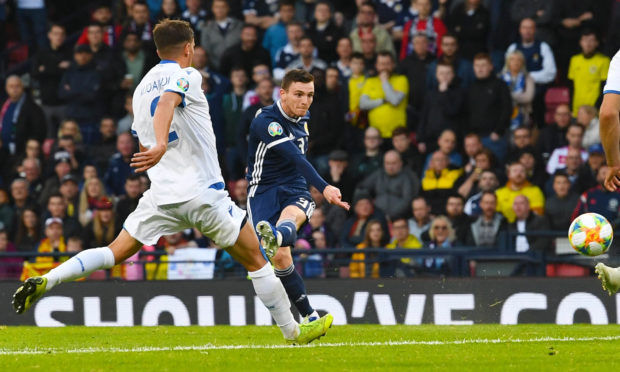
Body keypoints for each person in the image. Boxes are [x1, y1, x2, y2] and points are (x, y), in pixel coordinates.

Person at [11, 20, 332, 344]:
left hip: (162, 195)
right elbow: (167, 102)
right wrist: (163, 143)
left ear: (156, 49)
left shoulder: (139, 91)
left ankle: (49, 280)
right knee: (257, 259)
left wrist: (158, 151)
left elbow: (142, 147)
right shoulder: (188, 74)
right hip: (204, 193)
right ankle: (293, 332)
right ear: (189, 48)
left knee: (113, 252)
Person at [245, 68, 349, 324]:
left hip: (293, 186)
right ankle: (309, 316)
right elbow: (295, 157)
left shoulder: (304, 116)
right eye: (299, 94)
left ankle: (311, 320)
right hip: (263, 190)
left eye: (310, 95)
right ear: (282, 94)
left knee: (292, 216)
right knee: (281, 256)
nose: (305, 101)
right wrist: (324, 186)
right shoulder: (266, 120)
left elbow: (297, 163)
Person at [359, 52, 409, 140]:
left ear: (393, 65)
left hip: (397, 134)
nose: (384, 67)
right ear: (376, 66)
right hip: (376, 134)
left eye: (387, 64)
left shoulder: (401, 80)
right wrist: (383, 100)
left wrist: (384, 81)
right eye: (381, 64)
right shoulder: (370, 81)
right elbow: (363, 104)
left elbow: (394, 101)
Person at [568, 30, 610, 117]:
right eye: (585, 40)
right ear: (580, 42)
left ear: (597, 43)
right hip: (577, 109)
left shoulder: (603, 61)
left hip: (594, 109)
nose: (588, 43)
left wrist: (597, 107)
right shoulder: (574, 60)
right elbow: (571, 87)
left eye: (591, 40)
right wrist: (571, 108)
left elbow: (605, 87)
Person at [200, 0, 242, 72]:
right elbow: (206, 50)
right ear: (212, 9)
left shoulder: (239, 25)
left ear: (228, 8)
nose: (220, 10)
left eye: (223, 7)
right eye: (217, 7)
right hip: (214, 68)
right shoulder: (206, 28)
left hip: (237, 67)